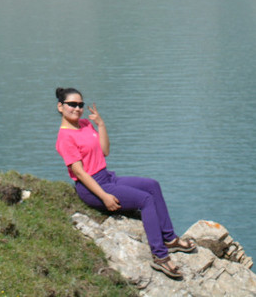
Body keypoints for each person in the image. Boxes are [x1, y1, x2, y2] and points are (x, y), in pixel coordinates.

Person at [53, 86, 196, 281]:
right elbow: (79, 172)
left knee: (152, 185)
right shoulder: (65, 137)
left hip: (107, 177)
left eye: (80, 105)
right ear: (60, 106)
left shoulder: (85, 124)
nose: (77, 109)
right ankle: (160, 256)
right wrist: (104, 196)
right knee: (145, 200)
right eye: (72, 104)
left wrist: (101, 124)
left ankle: (170, 239)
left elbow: (104, 151)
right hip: (92, 188)